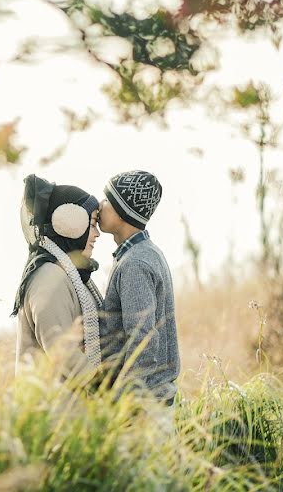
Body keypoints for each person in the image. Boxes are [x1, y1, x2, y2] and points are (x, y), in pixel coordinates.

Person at [97, 170, 180, 406]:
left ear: (123, 212)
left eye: (107, 201)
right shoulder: (144, 253)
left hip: (144, 408)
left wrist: (125, 403)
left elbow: (142, 342)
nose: (100, 206)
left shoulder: (135, 264)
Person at [12, 175, 103, 381]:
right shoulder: (49, 279)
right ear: (70, 225)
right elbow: (61, 350)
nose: (97, 234)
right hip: (52, 410)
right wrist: (105, 387)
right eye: (93, 223)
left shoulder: (64, 274)